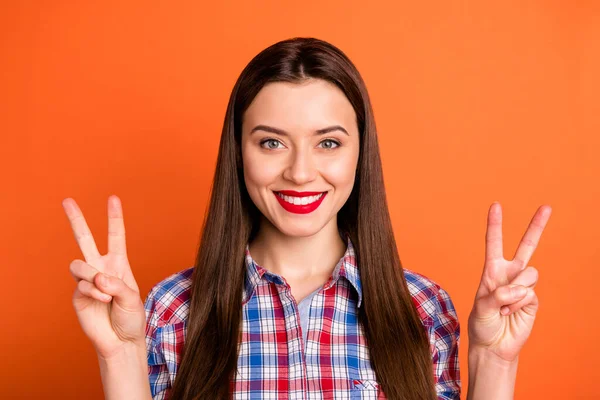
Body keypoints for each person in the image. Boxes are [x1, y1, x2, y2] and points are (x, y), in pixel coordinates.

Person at [62, 37, 552, 400]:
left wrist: (494, 360)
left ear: (362, 154)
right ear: (239, 153)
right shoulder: (171, 310)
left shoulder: (423, 309)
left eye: (329, 143)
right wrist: (119, 355)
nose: (299, 172)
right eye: (271, 142)